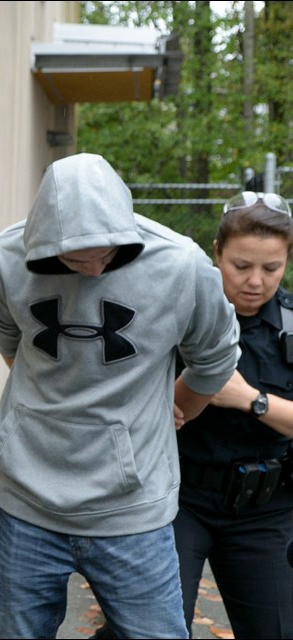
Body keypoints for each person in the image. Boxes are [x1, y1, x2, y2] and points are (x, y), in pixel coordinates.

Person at [0, 152, 240, 639]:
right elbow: (8, 339)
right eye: (76, 259)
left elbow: (216, 356)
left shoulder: (181, 265)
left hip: (133, 512)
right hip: (25, 500)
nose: (94, 270)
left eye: (109, 253)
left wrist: (179, 406)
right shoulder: (3, 257)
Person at [173, 191, 293, 638]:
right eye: (241, 266)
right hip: (179, 500)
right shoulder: (178, 313)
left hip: (266, 509)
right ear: (216, 252)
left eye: (271, 268)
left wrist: (251, 399)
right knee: (151, 626)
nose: (256, 281)